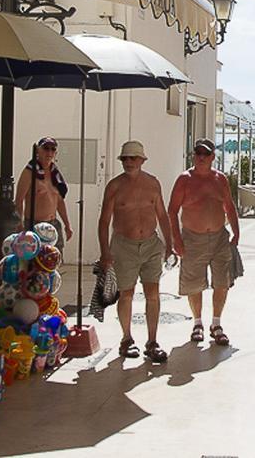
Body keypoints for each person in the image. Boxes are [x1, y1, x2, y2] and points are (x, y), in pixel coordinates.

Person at [97, 140, 174, 363]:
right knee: (127, 293)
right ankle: (127, 339)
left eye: (133, 158)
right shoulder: (114, 186)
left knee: (152, 293)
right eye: (125, 158)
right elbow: (104, 221)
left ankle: (152, 342)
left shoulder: (153, 184)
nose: (129, 162)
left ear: (142, 160)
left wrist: (169, 245)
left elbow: (162, 215)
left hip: (150, 244)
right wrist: (105, 252)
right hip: (124, 246)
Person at [168, 139, 240, 346]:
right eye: (197, 153)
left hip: (219, 237)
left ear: (212, 157)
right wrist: (177, 240)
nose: (200, 157)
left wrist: (236, 231)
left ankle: (216, 324)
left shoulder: (220, 179)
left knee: (222, 282)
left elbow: (229, 205)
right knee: (194, 283)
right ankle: (197, 323)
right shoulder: (184, 180)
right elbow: (172, 211)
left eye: (205, 154)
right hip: (193, 238)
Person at [14, 137, 73, 246]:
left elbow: (59, 201)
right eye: (46, 148)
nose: (49, 152)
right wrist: (19, 224)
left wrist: (67, 225)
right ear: (38, 151)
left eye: (53, 149)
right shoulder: (30, 172)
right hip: (34, 225)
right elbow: (19, 200)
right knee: (34, 262)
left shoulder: (55, 174)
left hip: (52, 225)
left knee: (55, 259)